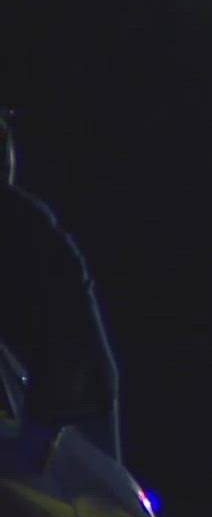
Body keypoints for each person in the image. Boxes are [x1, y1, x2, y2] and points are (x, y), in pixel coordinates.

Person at [0, 108, 120, 460]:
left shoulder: (18, 224)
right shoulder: (23, 220)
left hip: (70, 396)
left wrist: (38, 435)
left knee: (90, 504)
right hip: (70, 391)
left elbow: (65, 336)